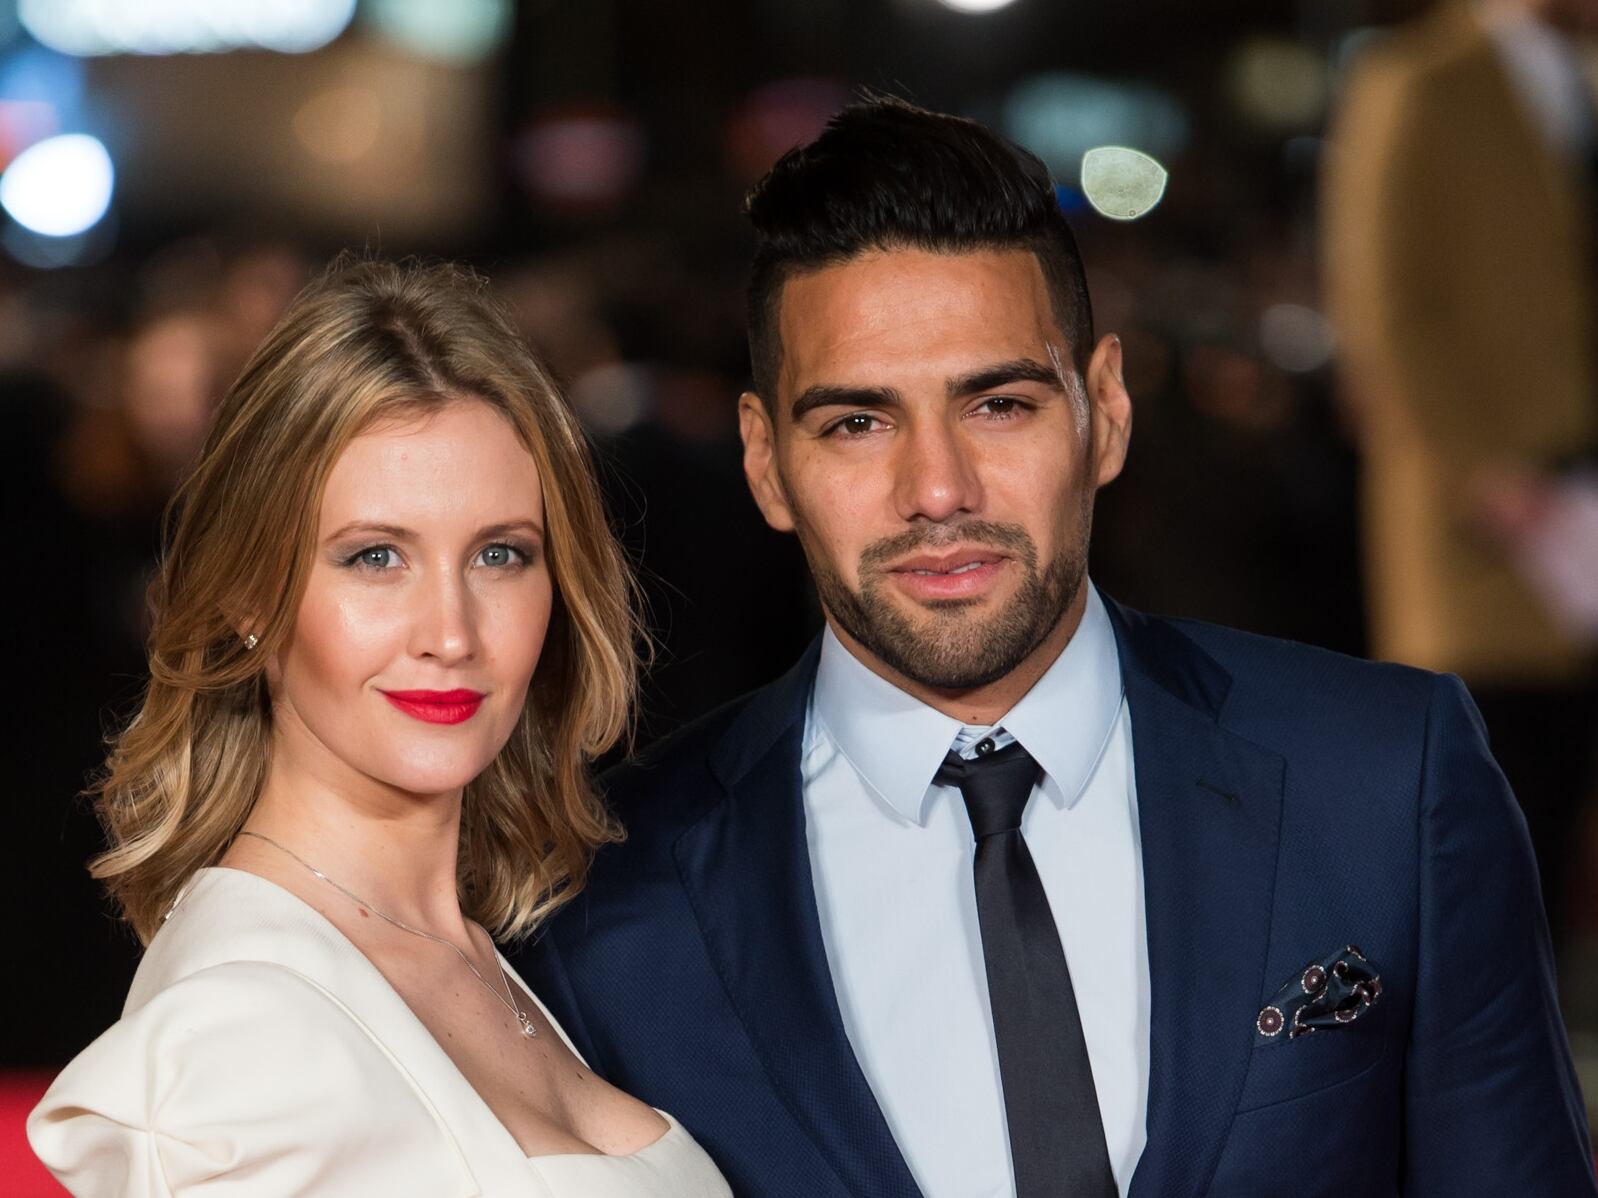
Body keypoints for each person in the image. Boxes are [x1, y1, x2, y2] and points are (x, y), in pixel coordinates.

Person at [513, 99, 1597, 1196]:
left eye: (996, 405)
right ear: (762, 460)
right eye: (856, 423)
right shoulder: (610, 898)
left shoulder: (1384, 781)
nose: (935, 489)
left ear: (1105, 409)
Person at [27, 259, 732, 1197]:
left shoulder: (489, 956)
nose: (451, 633)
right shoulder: (236, 1040)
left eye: (499, 554)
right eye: (375, 557)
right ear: (250, 595)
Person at [1323, 0, 1598, 945]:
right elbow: (1382, 301)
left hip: (1581, 505)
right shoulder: (1416, 82)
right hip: (1490, 529)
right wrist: (1485, 474)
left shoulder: (1582, 70)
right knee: (1493, 822)